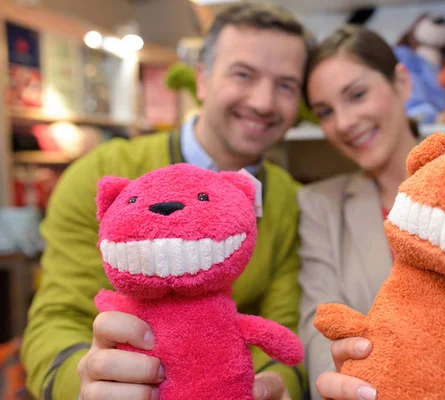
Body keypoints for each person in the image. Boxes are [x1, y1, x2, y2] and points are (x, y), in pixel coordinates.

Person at [20, 2, 315, 399]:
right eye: (243, 74)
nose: (263, 101)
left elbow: (284, 326)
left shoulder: (290, 200)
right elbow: (57, 316)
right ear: (203, 80)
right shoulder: (101, 174)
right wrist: (86, 381)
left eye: (285, 85)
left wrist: (274, 388)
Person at [297, 25, 445, 400]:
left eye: (357, 95)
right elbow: (317, 324)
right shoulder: (320, 205)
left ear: (401, 82)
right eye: (325, 111)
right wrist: (339, 378)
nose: (343, 123)